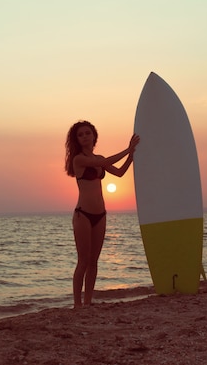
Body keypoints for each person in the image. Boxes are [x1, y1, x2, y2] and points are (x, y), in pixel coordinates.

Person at [64, 120, 140, 308]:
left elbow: (120, 172)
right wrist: (127, 149)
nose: (84, 137)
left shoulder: (98, 157)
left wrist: (131, 155)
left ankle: (88, 302)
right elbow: (104, 162)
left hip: (100, 215)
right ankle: (77, 305)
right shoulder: (78, 159)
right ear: (76, 139)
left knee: (94, 261)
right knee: (83, 261)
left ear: (94, 135)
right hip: (83, 215)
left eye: (87, 133)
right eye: (80, 135)